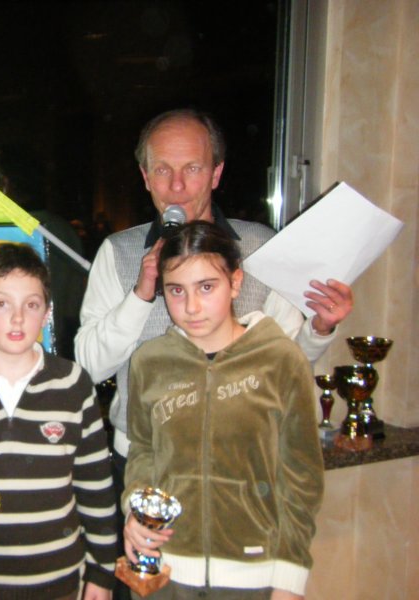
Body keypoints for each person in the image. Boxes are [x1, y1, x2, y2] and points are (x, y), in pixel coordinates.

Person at [74, 109, 351, 598]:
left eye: (193, 168)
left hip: (239, 470)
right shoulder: (117, 252)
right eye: (162, 169)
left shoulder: (261, 248)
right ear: (145, 176)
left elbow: (290, 361)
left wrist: (321, 327)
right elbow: (89, 367)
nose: (177, 186)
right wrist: (141, 295)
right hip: (142, 467)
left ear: (217, 173)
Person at [123, 220, 324, 599]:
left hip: (253, 575)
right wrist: (135, 510)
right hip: (163, 571)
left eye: (206, 287)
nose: (191, 306)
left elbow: (302, 478)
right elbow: (143, 452)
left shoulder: (281, 359)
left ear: (235, 282)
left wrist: (290, 575)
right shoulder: (149, 362)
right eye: (176, 290)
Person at [0, 243, 117, 600]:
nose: (17, 318)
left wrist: (103, 572)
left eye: (31, 305)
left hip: (59, 581)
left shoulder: (73, 384)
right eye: (1, 304)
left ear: (47, 313)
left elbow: (95, 486)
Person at [0, 142, 86, 360]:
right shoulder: (63, 232)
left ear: (4, 184)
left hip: (8, 354)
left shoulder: (0, 235)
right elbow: (75, 306)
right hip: (58, 353)